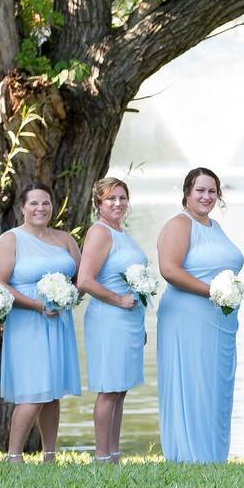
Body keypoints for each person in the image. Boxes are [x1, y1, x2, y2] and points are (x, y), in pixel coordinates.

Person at [156, 168, 244, 463]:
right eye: (200, 191)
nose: (207, 197)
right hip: (187, 318)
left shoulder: (215, 227)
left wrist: (226, 294)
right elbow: (169, 270)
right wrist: (214, 292)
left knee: (216, 388)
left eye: (212, 191)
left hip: (220, 321)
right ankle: (188, 456)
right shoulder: (180, 224)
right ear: (187, 193)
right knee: (193, 383)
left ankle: (213, 457)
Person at [0, 182, 81, 463]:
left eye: (46, 203)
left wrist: (68, 297)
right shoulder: (11, 239)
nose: (41, 208)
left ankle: (49, 455)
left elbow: (81, 278)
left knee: (52, 391)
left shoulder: (65, 239)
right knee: (33, 389)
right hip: (27, 321)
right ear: (22, 208)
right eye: (34, 203)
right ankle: (14, 455)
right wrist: (37, 305)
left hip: (59, 321)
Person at [77, 178, 147, 463]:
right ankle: (102, 455)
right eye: (110, 199)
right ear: (98, 204)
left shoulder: (122, 233)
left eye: (122, 198)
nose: (118, 203)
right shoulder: (100, 233)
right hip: (109, 319)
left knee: (120, 389)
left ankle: (115, 453)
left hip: (129, 320)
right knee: (108, 389)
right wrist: (119, 300)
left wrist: (140, 323)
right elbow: (84, 280)